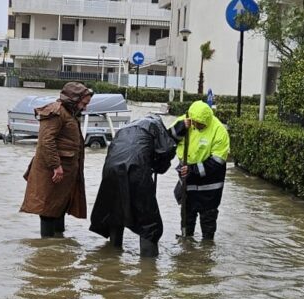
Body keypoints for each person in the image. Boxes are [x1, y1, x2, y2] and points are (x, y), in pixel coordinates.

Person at [89, 115, 178, 257]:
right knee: (149, 222)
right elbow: (167, 150)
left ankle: (113, 254)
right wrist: (159, 166)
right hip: (136, 170)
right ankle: (148, 263)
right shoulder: (155, 124)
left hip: (110, 170)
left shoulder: (124, 129)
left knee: (115, 213)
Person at [20, 82, 94, 237]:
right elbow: (46, 141)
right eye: (84, 103)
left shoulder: (69, 113)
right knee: (48, 208)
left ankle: (58, 243)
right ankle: (47, 246)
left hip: (64, 171)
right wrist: (56, 165)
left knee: (59, 206)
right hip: (52, 171)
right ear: (73, 100)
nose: (85, 108)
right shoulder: (56, 112)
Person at [170, 101, 230, 240]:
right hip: (188, 181)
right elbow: (168, 139)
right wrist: (180, 128)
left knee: (208, 220)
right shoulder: (185, 121)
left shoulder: (219, 131)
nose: (196, 126)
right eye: (195, 123)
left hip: (209, 185)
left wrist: (192, 170)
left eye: (200, 125)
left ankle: (207, 247)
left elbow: (217, 161)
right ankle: (187, 244)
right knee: (187, 216)